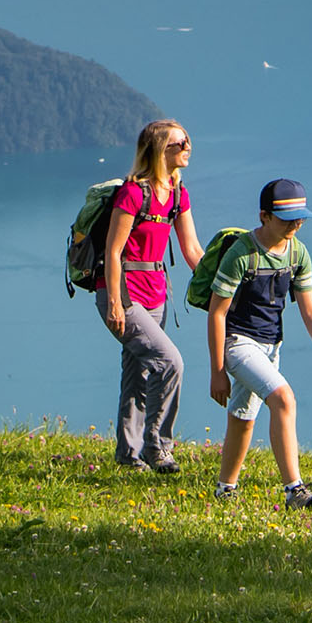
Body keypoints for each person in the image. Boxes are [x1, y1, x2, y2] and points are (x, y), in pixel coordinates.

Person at [205, 178, 312, 509]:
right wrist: (218, 371)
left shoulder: (297, 253)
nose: (295, 224)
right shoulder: (241, 254)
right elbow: (216, 313)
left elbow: (310, 307)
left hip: (271, 346)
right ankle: (294, 489)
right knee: (283, 398)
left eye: (299, 217)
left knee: (242, 417)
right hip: (238, 344)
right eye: (286, 218)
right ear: (264, 216)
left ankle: (225, 489)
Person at [98, 118, 204, 473]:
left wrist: (221, 286)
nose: (187, 148)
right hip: (124, 294)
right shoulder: (133, 193)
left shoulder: (177, 194)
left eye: (187, 141)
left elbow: (191, 250)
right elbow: (113, 252)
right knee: (170, 362)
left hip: (156, 293)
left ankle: (128, 457)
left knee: (138, 374)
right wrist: (115, 303)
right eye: (180, 144)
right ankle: (157, 447)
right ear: (160, 149)